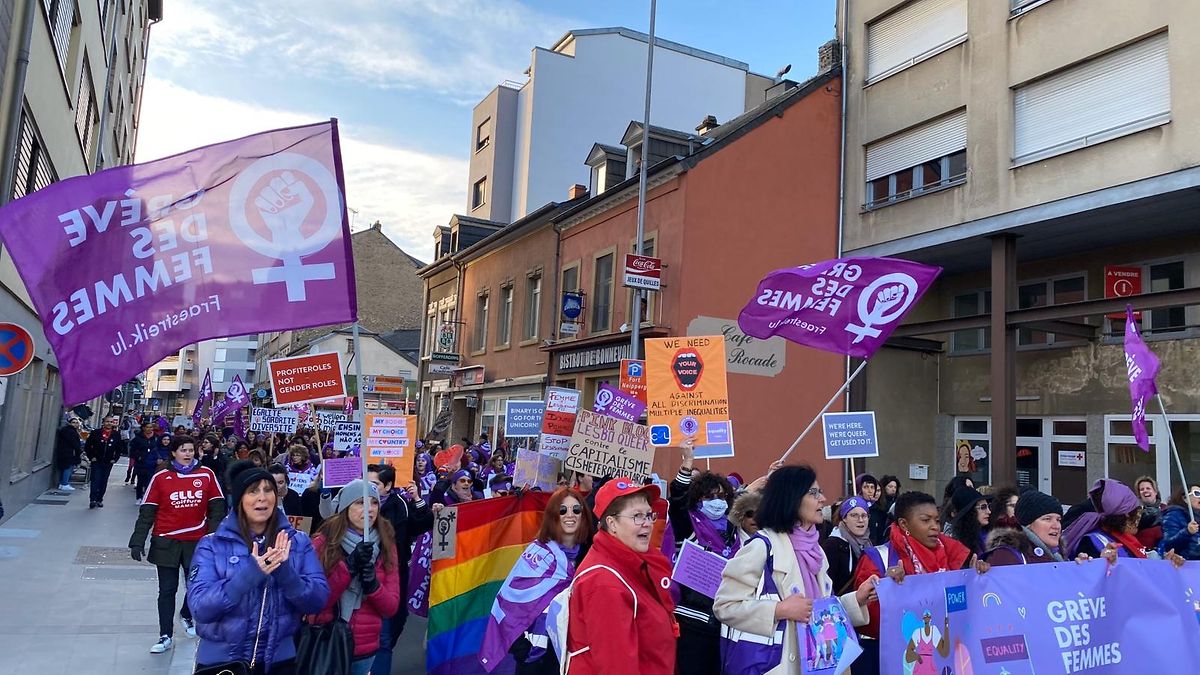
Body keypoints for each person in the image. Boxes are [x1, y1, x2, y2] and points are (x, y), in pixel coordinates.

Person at [714, 466, 874, 675]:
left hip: (819, 665)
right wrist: (778, 610)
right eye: (813, 493)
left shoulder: (816, 550)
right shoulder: (762, 547)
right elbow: (724, 606)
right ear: (791, 498)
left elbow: (817, 609)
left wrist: (857, 600)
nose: (823, 499)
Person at [188, 460, 330, 674]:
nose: (262, 497)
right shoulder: (212, 544)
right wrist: (249, 575)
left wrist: (285, 573)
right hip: (222, 663)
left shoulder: (298, 542)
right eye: (253, 491)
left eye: (268, 490)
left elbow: (318, 601)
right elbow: (201, 609)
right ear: (239, 500)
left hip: (280, 661)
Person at [565, 478, 677, 674]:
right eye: (637, 516)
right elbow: (616, 667)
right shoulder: (604, 583)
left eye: (649, 515)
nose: (648, 523)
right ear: (612, 524)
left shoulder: (631, 563)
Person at [129, 435, 226, 653]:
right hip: (166, 541)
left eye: (191, 450)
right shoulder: (161, 477)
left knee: (197, 586)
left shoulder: (206, 474)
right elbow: (147, 511)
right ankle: (165, 635)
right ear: (173, 452)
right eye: (183, 450)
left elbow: (218, 507)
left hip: (197, 542)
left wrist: (213, 535)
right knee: (167, 590)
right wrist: (137, 541)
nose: (188, 454)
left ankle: (186, 614)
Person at [481, 488, 593, 674]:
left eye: (576, 510)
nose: (570, 515)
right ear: (552, 516)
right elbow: (508, 603)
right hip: (535, 659)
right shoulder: (537, 553)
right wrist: (522, 651)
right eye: (562, 510)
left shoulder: (591, 555)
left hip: (574, 655)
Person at [853, 492, 981, 647]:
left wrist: (976, 583)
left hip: (942, 653)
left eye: (937, 520)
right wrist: (887, 590)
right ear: (904, 524)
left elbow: (961, 611)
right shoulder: (879, 558)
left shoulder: (952, 556)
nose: (935, 527)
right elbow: (866, 623)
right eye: (926, 520)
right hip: (892, 659)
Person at [310, 479, 401, 675]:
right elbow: (316, 602)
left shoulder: (386, 543)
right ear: (345, 507)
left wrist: (373, 586)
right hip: (327, 642)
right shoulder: (323, 543)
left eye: (374, 502)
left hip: (364, 648)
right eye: (360, 502)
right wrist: (348, 569)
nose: (369, 509)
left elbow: (391, 607)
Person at [666, 440, 739, 675]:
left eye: (722, 497)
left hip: (726, 623)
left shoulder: (733, 531)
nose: (717, 503)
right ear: (698, 500)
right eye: (710, 498)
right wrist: (687, 463)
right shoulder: (689, 524)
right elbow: (677, 500)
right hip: (693, 623)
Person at [366, 463, 433, 674]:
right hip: (360, 580)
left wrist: (418, 500)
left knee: (387, 636)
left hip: (389, 578)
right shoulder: (358, 503)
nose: (368, 486)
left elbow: (419, 525)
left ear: (387, 486)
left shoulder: (399, 505)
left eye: (374, 483)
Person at [1062, 478, 1148, 559]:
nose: (1139, 518)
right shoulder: (1092, 542)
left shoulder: (1124, 537)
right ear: (1127, 515)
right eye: (1137, 512)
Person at [986, 490, 1070, 565]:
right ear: (1028, 524)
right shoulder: (1008, 556)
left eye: (1058, 520)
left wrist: (1079, 568)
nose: (1056, 526)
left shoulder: (1059, 556)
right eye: (1047, 519)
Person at [822, 497, 873, 595]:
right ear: (844, 518)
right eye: (854, 515)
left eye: (864, 515)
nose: (861, 520)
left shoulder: (869, 544)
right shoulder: (832, 546)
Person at [84, 415, 127, 509]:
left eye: (111, 422)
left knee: (104, 480)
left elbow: (119, 449)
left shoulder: (116, 434)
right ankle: (93, 499)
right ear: (103, 422)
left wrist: (114, 459)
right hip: (97, 460)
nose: (109, 423)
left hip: (108, 462)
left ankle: (100, 499)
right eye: (107, 421)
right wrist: (91, 457)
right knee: (95, 480)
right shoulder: (96, 433)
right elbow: (87, 446)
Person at [1158, 485, 1200, 560]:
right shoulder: (1173, 515)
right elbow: (1169, 544)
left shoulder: (1197, 517)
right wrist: (1187, 532)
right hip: (1184, 566)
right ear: (1185, 498)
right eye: (1197, 493)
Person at [948, 487, 991, 556]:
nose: (989, 511)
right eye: (983, 507)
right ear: (970, 512)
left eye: (988, 506)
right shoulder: (957, 542)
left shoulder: (989, 535)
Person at [1136, 475, 1166, 549]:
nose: (1145, 491)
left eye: (1148, 488)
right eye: (1142, 489)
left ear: (1155, 492)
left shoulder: (1166, 509)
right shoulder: (1136, 512)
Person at [54, 418, 83, 492]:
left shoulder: (69, 430)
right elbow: (74, 443)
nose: (75, 424)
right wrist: (78, 450)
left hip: (66, 452)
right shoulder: (70, 431)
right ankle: (64, 483)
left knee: (66, 468)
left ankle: (62, 483)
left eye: (77, 423)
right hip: (69, 452)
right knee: (68, 468)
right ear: (69, 423)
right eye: (73, 422)